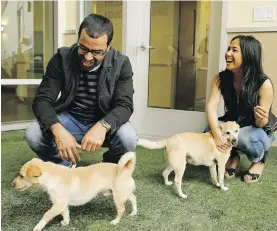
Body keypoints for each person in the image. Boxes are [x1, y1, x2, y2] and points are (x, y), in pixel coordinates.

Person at [25, 14, 137, 168]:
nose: (88, 57)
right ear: (78, 40)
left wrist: (103, 125)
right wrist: (58, 129)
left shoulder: (121, 63)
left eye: (97, 52)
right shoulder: (61, 59)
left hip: (104, 120)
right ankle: (65, 166)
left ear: (108, 47)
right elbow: (42, 100)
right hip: (71, 119)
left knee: (128, 138)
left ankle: (107, 169)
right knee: (33, 133)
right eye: (83, 48)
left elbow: (125, 105)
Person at [206, 35, 276, 183]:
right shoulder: (220, 78)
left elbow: (262, 124)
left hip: (258, 129)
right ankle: (233, 156)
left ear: (248, 55)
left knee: (244, 137)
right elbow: (211, 106)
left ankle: (259, 160)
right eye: (228, 49)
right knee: (209, 131)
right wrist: (217, 133)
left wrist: (261, 119)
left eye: (234, 50)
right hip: (235, 122)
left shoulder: (264, 83)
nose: (228, 53)